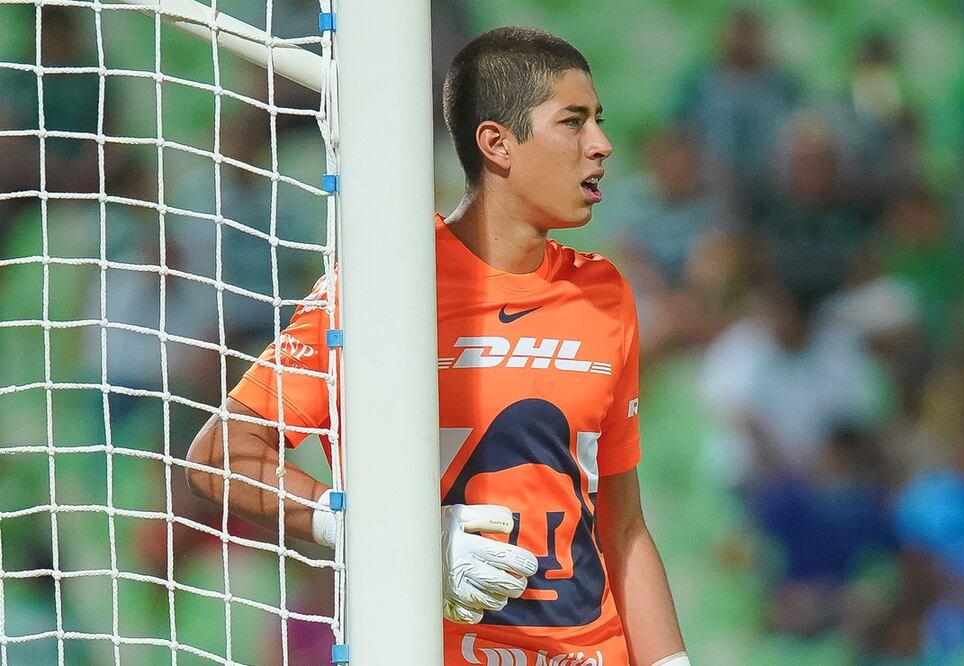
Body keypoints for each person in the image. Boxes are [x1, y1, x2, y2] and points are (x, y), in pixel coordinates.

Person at [186, 26, 688, 666]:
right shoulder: (383, 286)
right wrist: (393, 542)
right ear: (497, 143)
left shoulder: (604, 293)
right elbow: (219, 456)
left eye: (599, 120)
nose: (602, 145)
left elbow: (623, 528)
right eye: (574, 121)